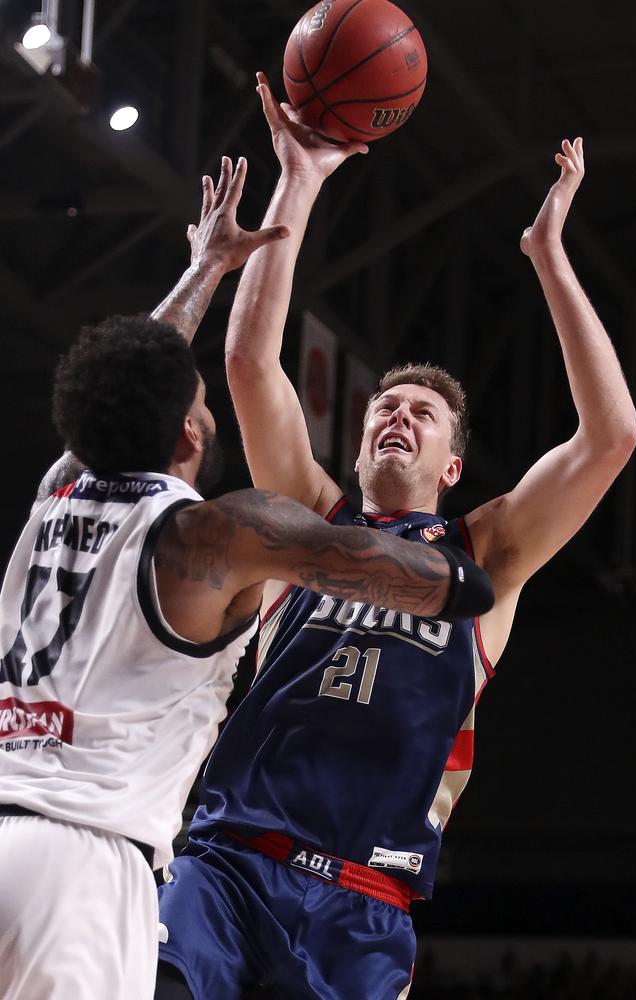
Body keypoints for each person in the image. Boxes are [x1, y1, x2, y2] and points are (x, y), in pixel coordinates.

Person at [155, 78, 636, 1000]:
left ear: (454, 465)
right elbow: (251, 361)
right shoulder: (305, 524)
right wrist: (299, 176)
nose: (398, 417)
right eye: (385, 405)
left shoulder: (487, 552)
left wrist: (548, 259)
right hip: (229, 864)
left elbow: (611, 437)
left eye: (421, 413)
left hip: (365, 906)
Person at [0, 158, 493, 1000]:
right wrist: (445, 567)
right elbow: (451, 588)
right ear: (190, 434)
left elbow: (131, 377)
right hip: (84, 862)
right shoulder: (216, 534)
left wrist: (204, 270)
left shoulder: (60, 487)